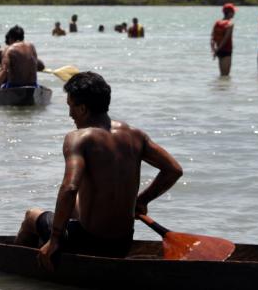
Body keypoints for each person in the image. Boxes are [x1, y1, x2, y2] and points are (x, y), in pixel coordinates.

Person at [15, 72, 183, 269]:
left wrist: (55, 238)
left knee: (31, 216)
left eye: (71, 107)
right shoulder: (136, 135)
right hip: (122, 242)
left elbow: (69, 188)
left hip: (89, 242)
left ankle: (19, 266)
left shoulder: (78, 138)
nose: (70, 114)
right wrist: (142, 200)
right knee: (77, 204)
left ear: (83, 109)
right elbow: (173, 170)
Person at [0, 25, 45, 104]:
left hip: (14, 87)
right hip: (33, 86)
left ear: (10, 38)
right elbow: (38, 65)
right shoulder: (31, 46)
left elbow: (4, 70)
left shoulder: (9, 50)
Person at [211, 3, 236, 77]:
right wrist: (217, 50)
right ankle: (224, 88)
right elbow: (225, 39)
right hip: (226, 50)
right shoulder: (230, 24)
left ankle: (221, 88)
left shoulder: (217, 23)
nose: (234, 13)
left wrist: (214, 50)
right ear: (229, 13)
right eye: (233, 12)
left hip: (219, 51)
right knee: (226, 75)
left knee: (222, 75)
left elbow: (212, 37)